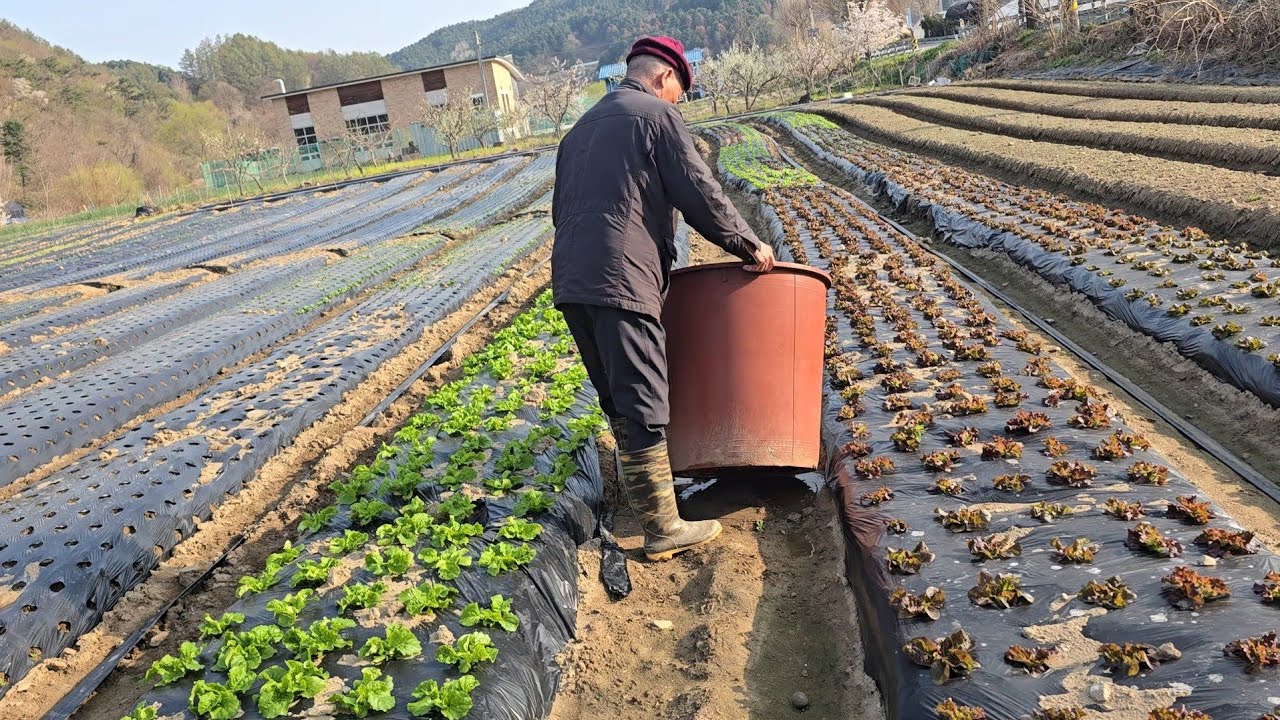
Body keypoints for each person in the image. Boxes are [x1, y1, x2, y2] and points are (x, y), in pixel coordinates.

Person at [551, 36, 776, 561]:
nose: (678, 103)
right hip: (621, 275)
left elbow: (563, 210)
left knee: (617, 393)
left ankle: (645, 502)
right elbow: (698, 190)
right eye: (679, 92)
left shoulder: (578, 132)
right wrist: (748, 244)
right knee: (643, 396)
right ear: (663, 78)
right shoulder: (654, 116)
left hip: (571, 278)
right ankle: (662, 527)